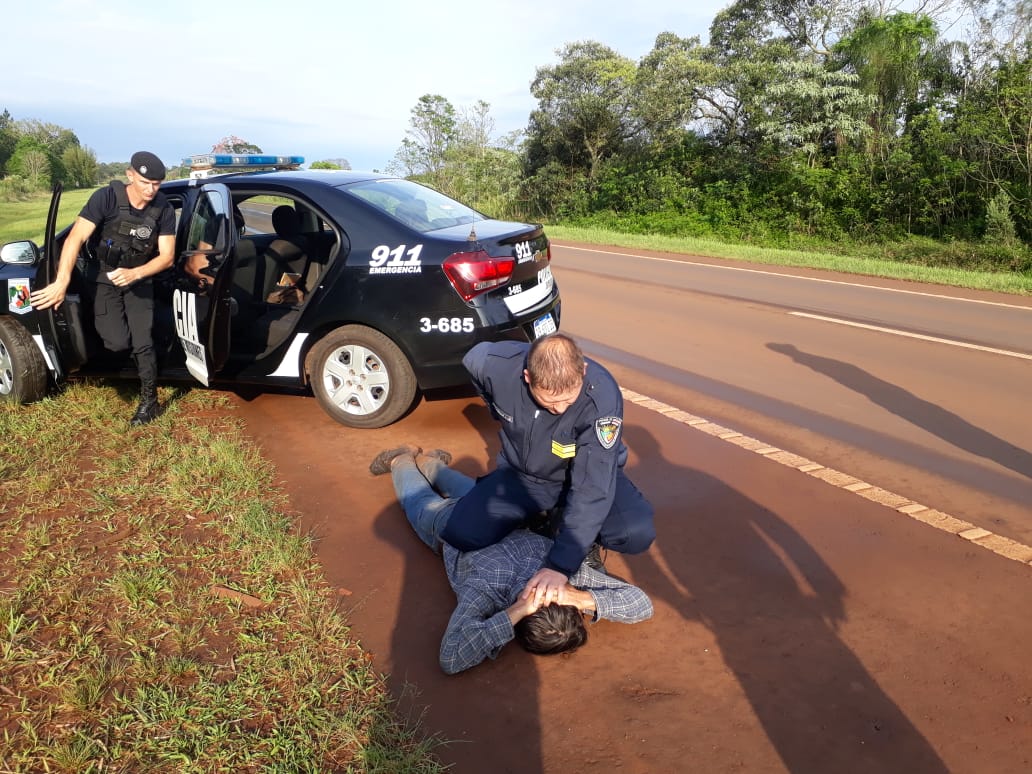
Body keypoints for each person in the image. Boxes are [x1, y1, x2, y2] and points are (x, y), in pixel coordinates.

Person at [370, 444, 653, 674]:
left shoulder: (547, 581)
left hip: (475, 519)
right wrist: (517, 611)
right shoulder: (490, 592)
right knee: (421, 498)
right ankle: (404, 460)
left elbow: (451, 658)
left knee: (447, 494)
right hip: (463, 521)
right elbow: (451, 658)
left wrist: (576, 598)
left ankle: (426, 463)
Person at [435, 333, 656, 608]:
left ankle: (574, 532)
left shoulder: (601, 396)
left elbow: (592, 486)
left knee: (634, 532)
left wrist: (559, 566)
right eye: (550, 401)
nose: (560, 409)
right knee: (462, 533)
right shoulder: (496, 365)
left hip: (584, 475)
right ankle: (542, 517)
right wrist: (496, 410)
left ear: (583, 371)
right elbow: (472, 359)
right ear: (528, 377)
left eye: (568, 399)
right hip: (525, 477)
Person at [30, 151, 175, 426]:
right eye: (145, 182)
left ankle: (149, 402)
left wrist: (135, 273)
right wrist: (61, 282)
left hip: (140, 279)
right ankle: (131, 364)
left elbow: (167, 256)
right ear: (130, 175)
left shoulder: (163, 209)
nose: (151, 189)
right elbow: (74, 239)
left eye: (157, 184)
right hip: (105, 277)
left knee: (143, 340)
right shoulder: (106, 198)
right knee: (117, 341)